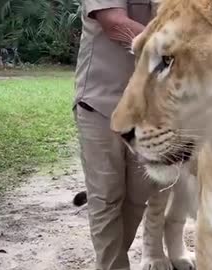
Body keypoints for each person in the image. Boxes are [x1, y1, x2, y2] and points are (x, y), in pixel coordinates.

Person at [73, 1, 155, 269]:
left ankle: (111, 262)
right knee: (107, 196)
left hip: (148, 109)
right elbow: (115, 24)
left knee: (138, 195)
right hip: (101, 104)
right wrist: (177, 45)